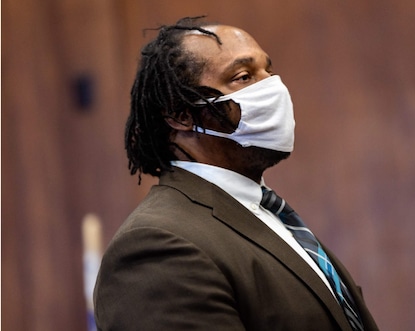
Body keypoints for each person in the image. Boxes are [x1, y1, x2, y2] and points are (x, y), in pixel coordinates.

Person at [93, 16, 379, 331]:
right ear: (180, 115)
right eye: (243, 77)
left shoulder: (268, 214)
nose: (273, 87)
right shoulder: (158, 244)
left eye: (267, 71)